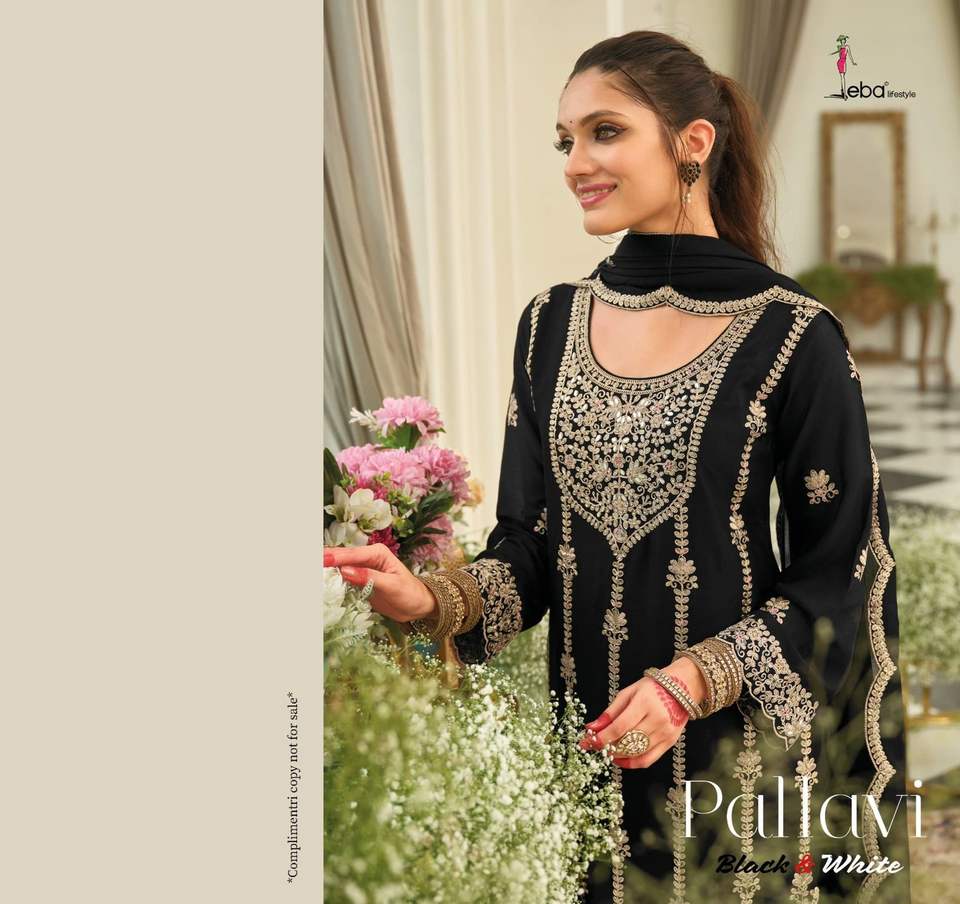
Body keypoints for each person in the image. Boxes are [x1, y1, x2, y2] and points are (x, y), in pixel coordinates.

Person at [324, 30, 912, 904]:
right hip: (587, 757)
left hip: (734, 768)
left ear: (692, 142)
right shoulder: (549, 325)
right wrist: (432, 599)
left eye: (605, 131)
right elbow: (530, 547)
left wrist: (688, 684)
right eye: (566, 139)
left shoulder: (794, 335)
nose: (576, 162)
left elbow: (841, 573)